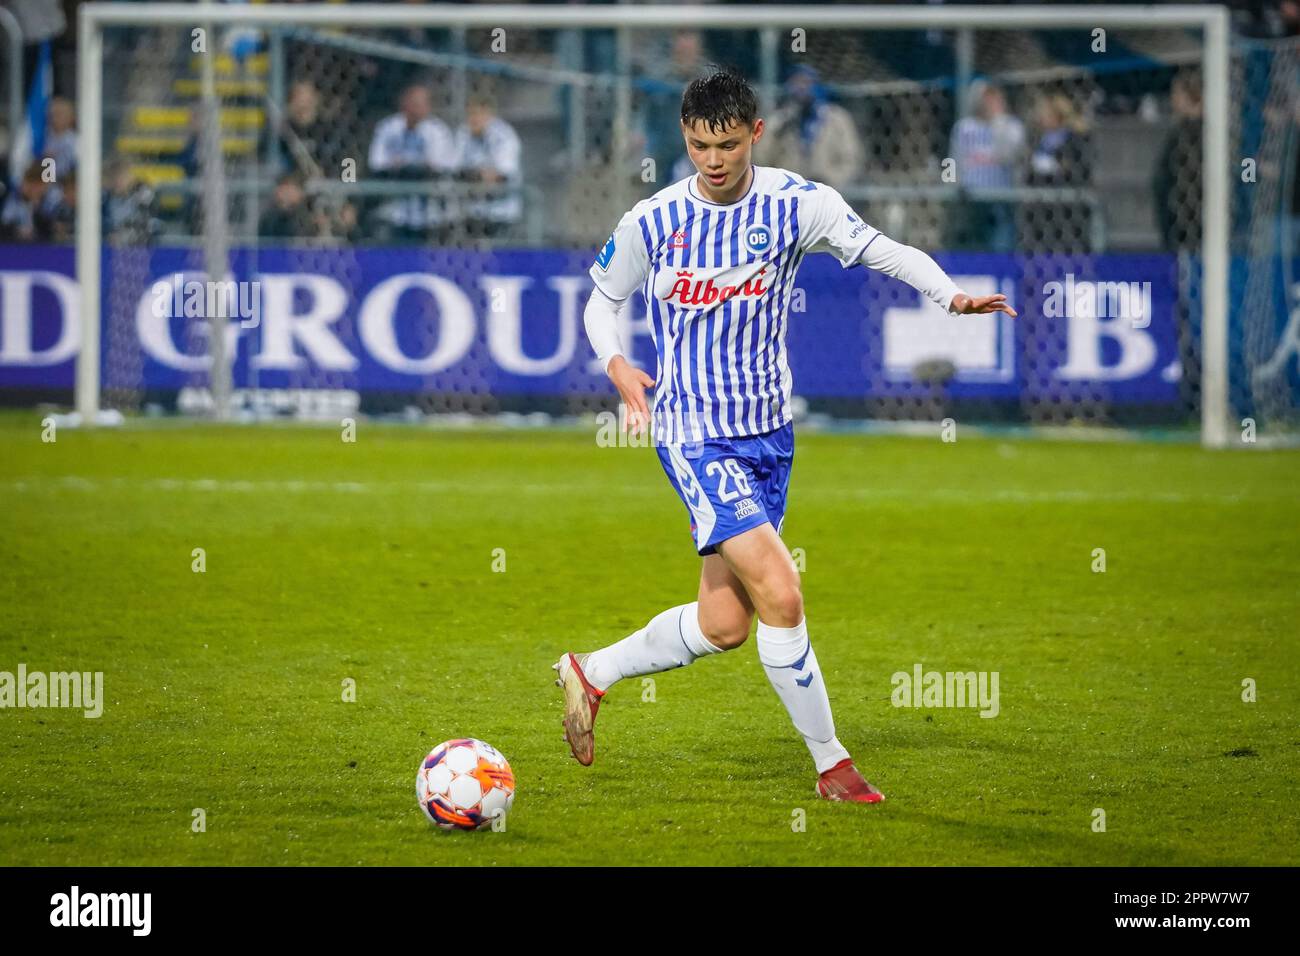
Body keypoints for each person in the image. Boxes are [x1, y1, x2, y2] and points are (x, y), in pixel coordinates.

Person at [558, 70, 1016, 802]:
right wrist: (616, 364)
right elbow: (601, 302)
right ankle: (832, 763)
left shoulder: (798, 205)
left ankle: (590, 672)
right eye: (700, 144)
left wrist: (950, 295)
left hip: (768, 433)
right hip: (693, 430)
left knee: (726, 623)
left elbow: (884, 250)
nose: (713, 159)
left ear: (756, 134)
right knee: (782, 591)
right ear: (685, 136)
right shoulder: (652, 221)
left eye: (728, 144)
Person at [367, 83, 457, 242]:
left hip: (430, 214)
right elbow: (376, 163)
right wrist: (395, 165)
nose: (417, 109)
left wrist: (412, 165)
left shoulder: (439, 130)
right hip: (394, 211)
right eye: (413, 103)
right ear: (404, 104)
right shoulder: (387, 127)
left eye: (422, 104)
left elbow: (443, 166)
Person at [760, 65, 865, 191]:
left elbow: (852, 159)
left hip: (827, 193)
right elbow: (762, 159)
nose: (801, 87)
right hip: (789, 194)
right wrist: (775, 129)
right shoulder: (780, 120)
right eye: (795, 82)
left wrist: (830, 181)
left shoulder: (837, 119)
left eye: (806, 82)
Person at [949, 80, 1025, 252]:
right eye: (985, 98)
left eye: (993, 98)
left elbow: (1010, 154)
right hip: (971, 197)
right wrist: (953, 185)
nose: (989, 103)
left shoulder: (1011, 126)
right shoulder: (964, 127)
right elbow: (953, 160)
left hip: (1001, 197)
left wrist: (998, 121)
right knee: (971, 244)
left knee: (1001, 243)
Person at [453, 93, 522, 238]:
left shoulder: (504, 135)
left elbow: (500, 176)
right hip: (470, 213)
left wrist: (472, 176)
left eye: (479, 114)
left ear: (489, 114)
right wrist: (478, 175)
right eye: (470, 113)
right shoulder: (463, 133)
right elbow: (455, 172)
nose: (474, 118)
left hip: (500, 213)